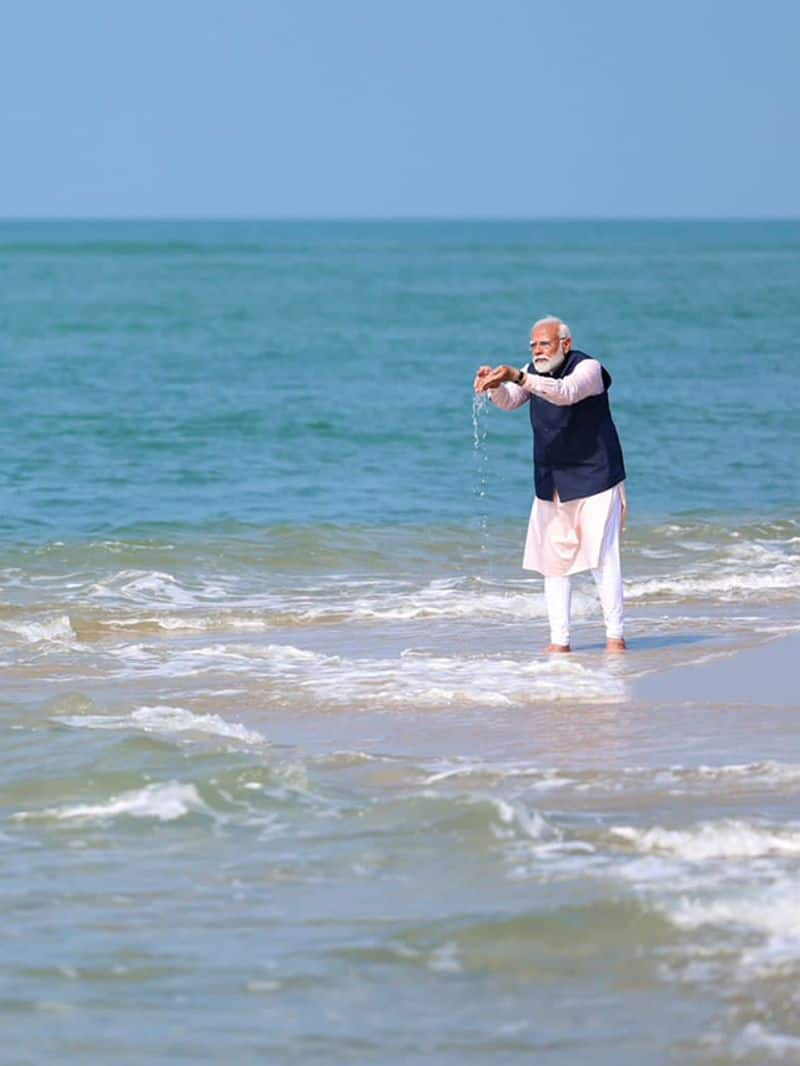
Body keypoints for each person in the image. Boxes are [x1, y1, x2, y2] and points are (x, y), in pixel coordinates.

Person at [474, 316, 627, 654]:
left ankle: (615, 637)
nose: (537, 351)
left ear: (565, 344)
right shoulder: (532, 371)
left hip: (596, 476)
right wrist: (494, 385)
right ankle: (560, 641)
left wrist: (519, 375)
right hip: (552, 479)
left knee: (603, 559)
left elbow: (565, 394)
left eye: (544, 344)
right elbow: (512, 400)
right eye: (532, 345)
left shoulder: (589, 369)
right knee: (554, 563)